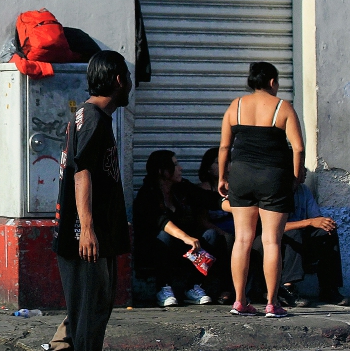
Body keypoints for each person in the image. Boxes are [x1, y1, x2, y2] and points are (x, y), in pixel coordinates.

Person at [31, 50, 131, 351]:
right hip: (85, 235)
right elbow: (82, 170)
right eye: (128, 77)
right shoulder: (91, 118)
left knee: (89, 306)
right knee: (90, 310)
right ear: (119, 80)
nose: (130, 84)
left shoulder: (91, 116)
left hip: (91, 232)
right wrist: (87, 228)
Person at [218, 61, 304, 319]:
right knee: (271, 241)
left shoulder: (236, 106)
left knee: (242, 239)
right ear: (272, 82)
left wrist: (223, 177)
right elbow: (298, 148)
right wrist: (296, 178)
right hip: (273, 177)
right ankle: (271, 303)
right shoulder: (282, 107)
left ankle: (240, 301)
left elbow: (224, 147)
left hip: (241, 174)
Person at [132, 150, 228, 307]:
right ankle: (163, 288)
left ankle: (193, 287)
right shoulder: (148, 194)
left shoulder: (181, 188)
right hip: (157, 249)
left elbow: (208, 199)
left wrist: (236, 207)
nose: (181, 168)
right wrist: (186, 237)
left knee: (211, 235)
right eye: (175, 165)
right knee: (164, 236)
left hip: (183, 247)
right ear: (161, 171)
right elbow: (162, 221)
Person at [278, 168, 348, 308]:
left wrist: (323, 222)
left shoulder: (303, 190)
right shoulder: (277, 190)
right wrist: (308, 222)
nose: (304, 173)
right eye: (301, 169)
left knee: (327, 232)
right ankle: (287, 289)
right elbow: (274, 227)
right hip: (277, 242)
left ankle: (329, 289)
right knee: (294, 233)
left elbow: (315, 217)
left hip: (302, 240)